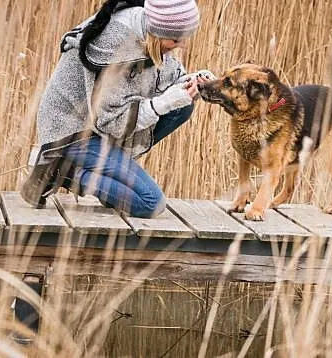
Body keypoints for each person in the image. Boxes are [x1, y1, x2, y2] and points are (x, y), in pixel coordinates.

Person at [20, 0, 214, 218]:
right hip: (72, 133)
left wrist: (192, 81)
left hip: (101, 127)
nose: (181, 45)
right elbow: (110, 122)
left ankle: (114, 180)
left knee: (181, 108)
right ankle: (60, 171)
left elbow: (169, 78)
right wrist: (167, 101)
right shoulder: (116, 44)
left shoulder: (149, 32)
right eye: (176, 40)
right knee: (150, 203)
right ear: (157, 32)